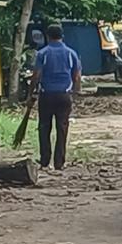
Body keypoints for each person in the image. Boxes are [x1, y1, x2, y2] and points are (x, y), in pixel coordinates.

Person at [29, 24, 81, 171]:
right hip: (64, 95)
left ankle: (45, 161)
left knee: (44, 127)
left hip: (46, 95)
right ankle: (59, 162)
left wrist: (31, 93)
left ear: (48, 36)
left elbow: (36, 76)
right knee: (62, 128)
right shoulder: (71, 53)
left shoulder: (42, 53)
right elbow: (76, 76)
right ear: (62, 36)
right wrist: (75, 94)